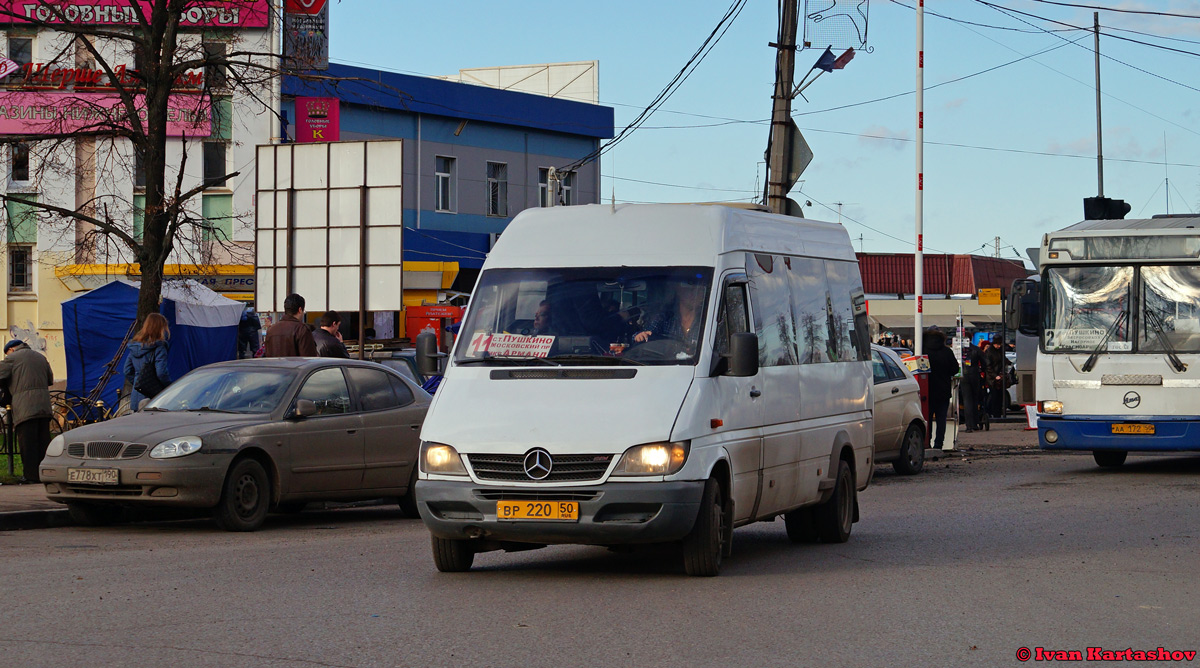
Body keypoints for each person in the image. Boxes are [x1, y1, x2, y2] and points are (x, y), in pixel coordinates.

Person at [0, 340, 53, 483]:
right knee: (43, 443)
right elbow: (50, 379)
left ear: (11, 349)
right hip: (44, 405)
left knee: (27, 444)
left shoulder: (12, 358)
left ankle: (30, 476)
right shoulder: (40, 357)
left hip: (25, 407)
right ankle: (45, 475)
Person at [634, 279, 706, 348]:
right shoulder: (666, 318)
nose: (696, 294)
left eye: (700, 290)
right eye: (691, 289)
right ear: (679, 291)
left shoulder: (707, 319)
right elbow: (645, 333)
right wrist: (640, 336)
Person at [123, 313, 173, 412]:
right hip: (154, 397)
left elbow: (127, 370)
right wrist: (169, 388)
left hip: (136, 396)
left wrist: (140, 383)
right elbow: (161, 373)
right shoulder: (159, 347)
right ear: (160, 328)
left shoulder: (135, 346)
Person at [925, 329, 960, 450]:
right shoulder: (947, 351)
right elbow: (955, 369)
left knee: (926, 419)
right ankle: (938, 444)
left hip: (926, 391)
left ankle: (926, 443)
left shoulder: (922, 351)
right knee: (941, 419)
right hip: (943, 390)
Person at [263, 293, 318, 357]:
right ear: (300, 310)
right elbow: (309, 358)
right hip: (296, 366)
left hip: (275, 366)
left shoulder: (271, 330)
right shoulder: (302, 329)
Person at [960, 339, 985, 432]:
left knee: (967, 400)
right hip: (974, 375)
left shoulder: (960, 350)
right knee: (975, 398)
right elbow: (984, 363)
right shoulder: (976, 349)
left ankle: (969, 425)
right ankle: (975, 423)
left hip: (963, 376)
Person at [983, 335, 1008, 418]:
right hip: (992, 377)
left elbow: (1003, 360)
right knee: (994, 395)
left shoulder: (999, 350)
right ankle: (993, 412)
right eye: (997, 344)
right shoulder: (989, 351)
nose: (999, 346)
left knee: (999, 395)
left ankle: (997, 413)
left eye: (1000, 344)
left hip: (999, 376)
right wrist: (995, 375)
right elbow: (988, 366)